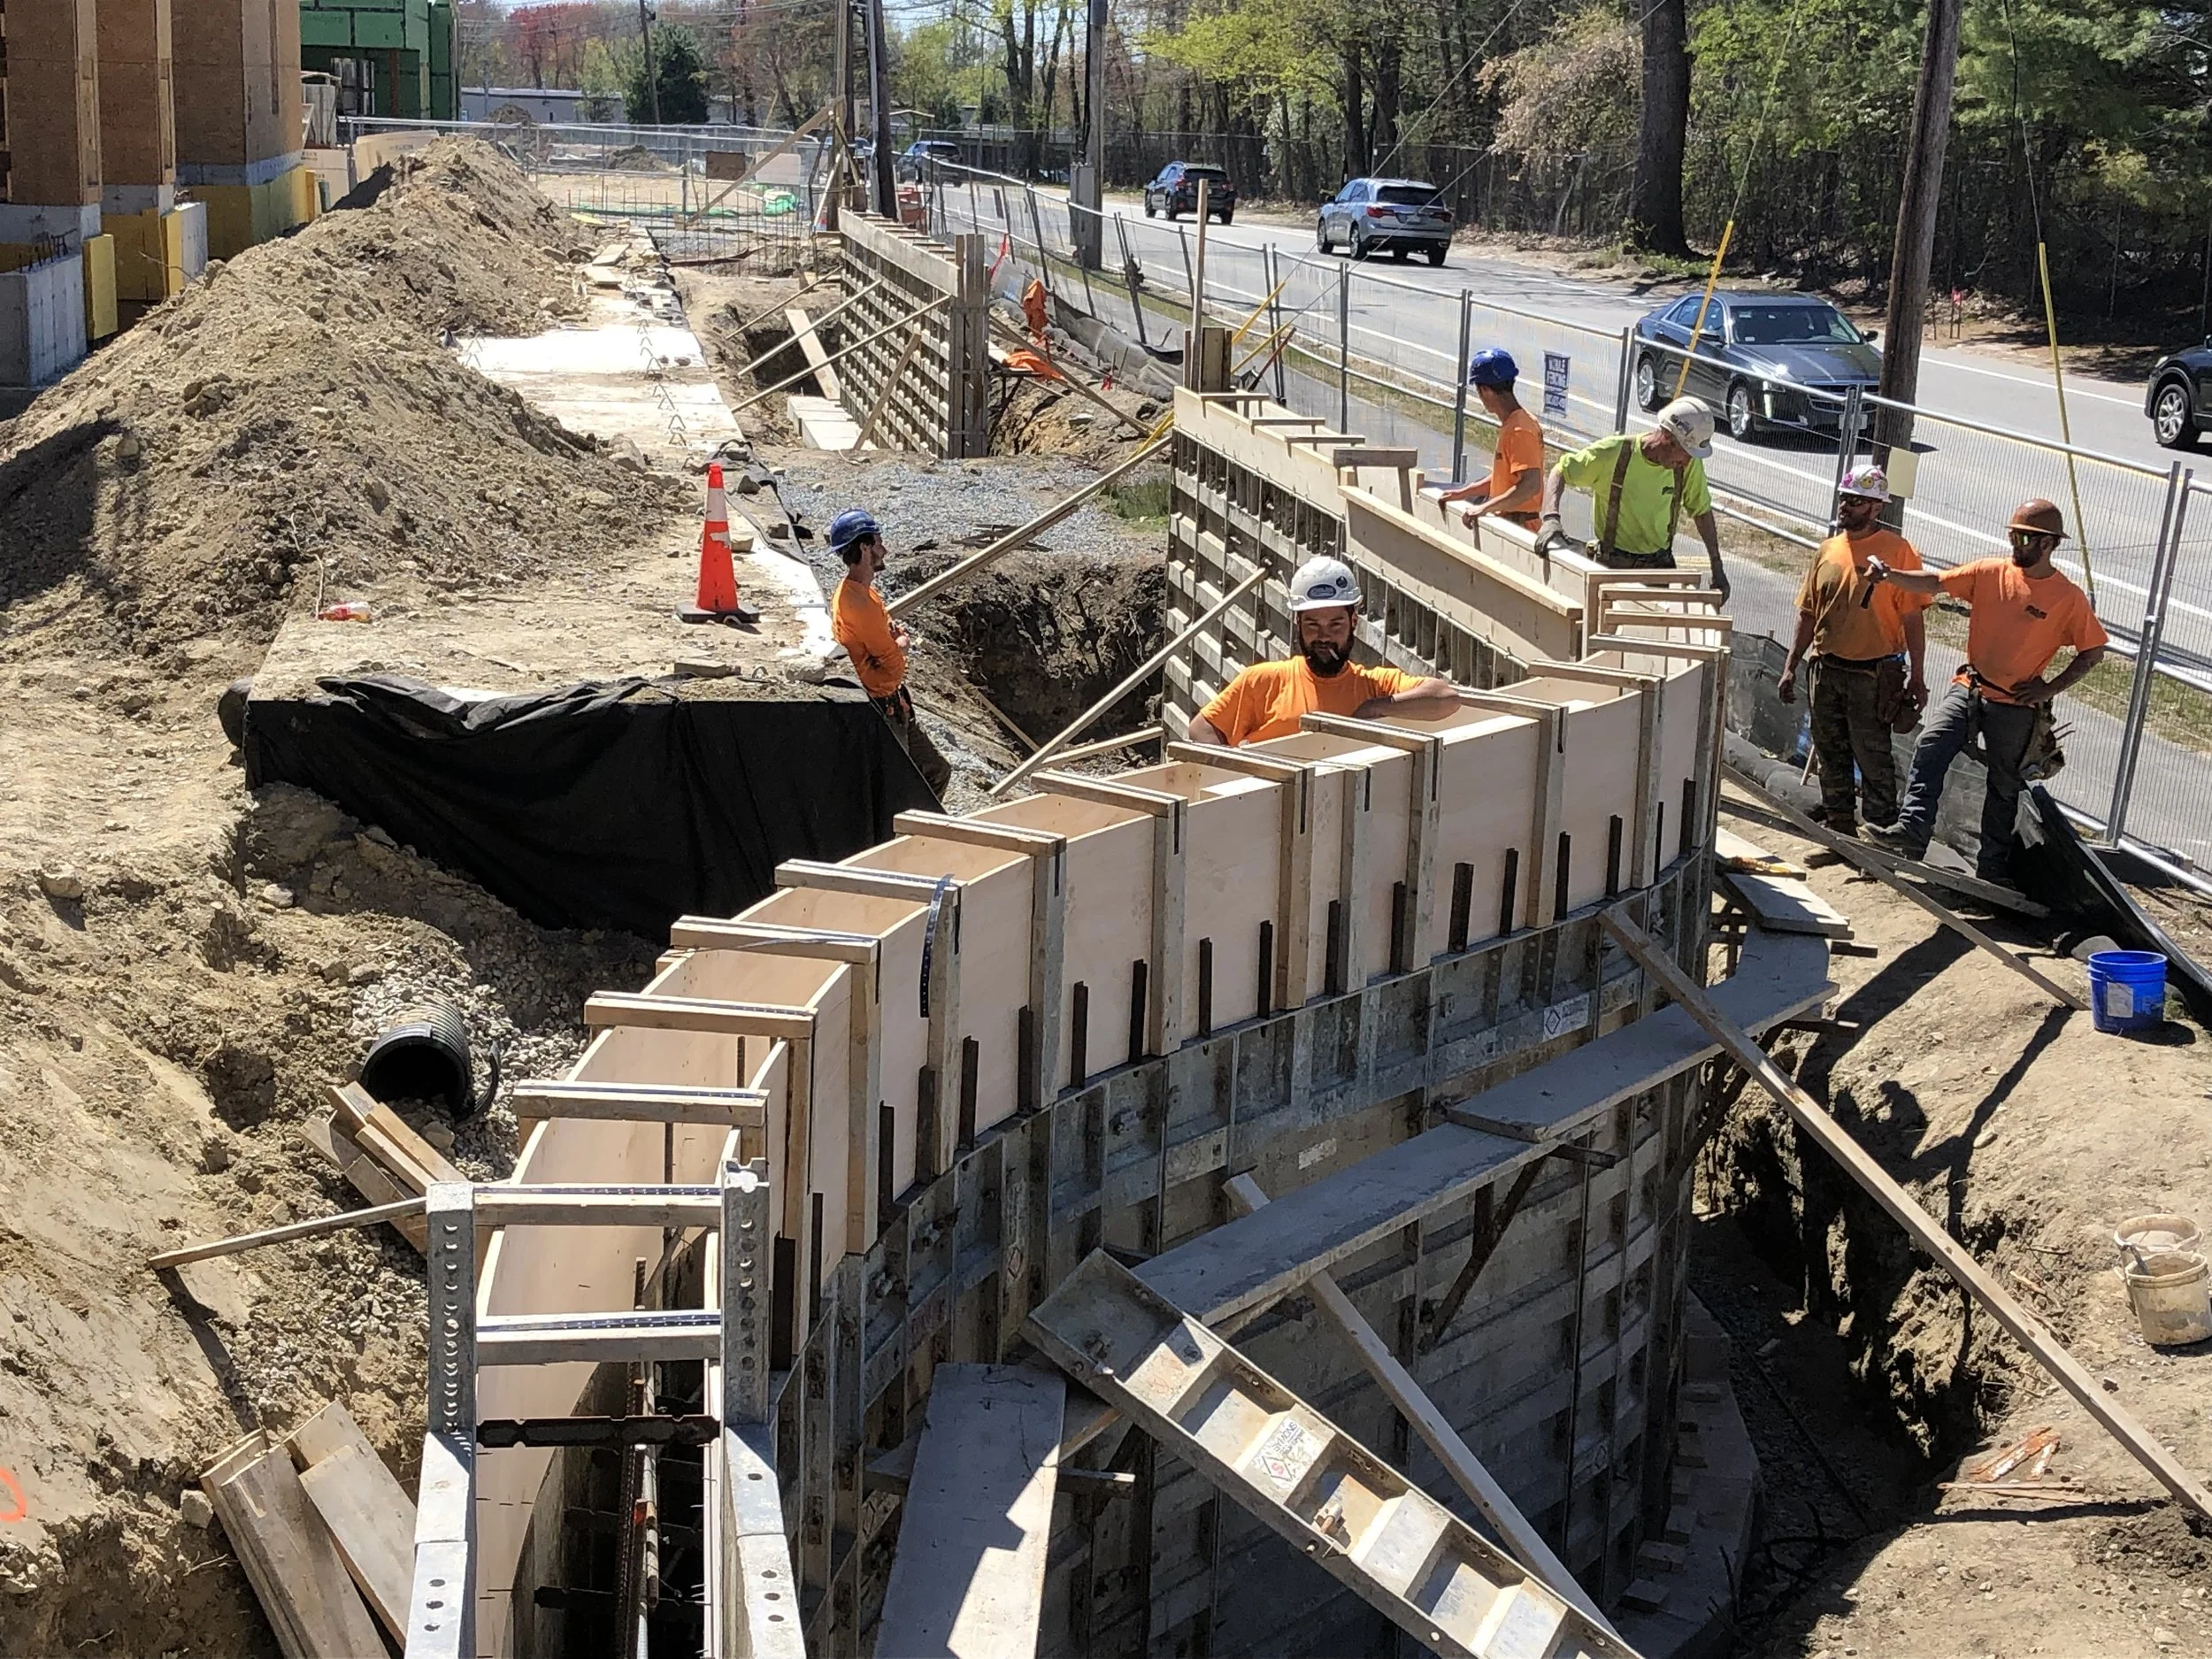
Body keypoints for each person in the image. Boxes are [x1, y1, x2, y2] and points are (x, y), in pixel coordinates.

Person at [1862, 498, 2109, 885]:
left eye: (2025, 537)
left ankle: (1991, 872)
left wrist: (2050, 687)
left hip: (2015, 706)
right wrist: (1891, 575)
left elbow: (2093, 651)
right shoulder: (1990, 572)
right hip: (1971, 687)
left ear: (2048, 545)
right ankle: (1911, 832)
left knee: (2003, 787)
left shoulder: (2067, 597)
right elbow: (1936, 582)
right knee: (1931, 745)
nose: (2016, 543)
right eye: (2013, 535)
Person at [1776, 465, 1931, 835]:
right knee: (1830, 754)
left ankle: (1877, 837)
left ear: (1877, 509)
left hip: (1872, 675)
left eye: (1857, 501)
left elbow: (1913, 620)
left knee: (1873, 757)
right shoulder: (1829, 549)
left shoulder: (1898, 552)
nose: (1846, 507)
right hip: (1826, 670)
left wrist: (1919, 679)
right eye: (1845, 498)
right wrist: (1790, 666)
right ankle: (1839, 830)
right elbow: (1809, 611)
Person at [1187, 556, 1456, 747]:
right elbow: (1202, 730)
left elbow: (1446, 697)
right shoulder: (1265, 681)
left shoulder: (1375, 686)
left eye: (1335, 624)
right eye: (1312, 624)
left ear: (1353, 622)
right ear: (1298, 624)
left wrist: (1374, 708)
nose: (1323, 636)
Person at [1537, 396, 1732, 601]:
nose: (1686, 462)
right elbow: (1561, 471)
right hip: (1611, 569)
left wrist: (1717, 566)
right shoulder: (1615, 453)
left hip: (1658, 571)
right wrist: (1551, 518)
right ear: (1668, 438)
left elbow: (1701, 512)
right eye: (1685, 454)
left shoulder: (1688, 467)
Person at [828, 508, 954, 799]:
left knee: (936, 771)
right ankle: (902, 842)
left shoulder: (862, 593)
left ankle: (919, 837)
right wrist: (902, 645)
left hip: (893, 705)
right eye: (878, 541)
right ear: (864, 547)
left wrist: (892, 640)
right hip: (881, 709)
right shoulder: (857, 603)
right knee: (901, 791)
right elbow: (892, 668)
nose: (884, 549)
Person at [1438, 349, 1544, 531]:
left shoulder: (1519, 430)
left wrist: (1484, 508)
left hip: (1519, 530)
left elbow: (1530, 485)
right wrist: (1463, 493)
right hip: (1510, 524)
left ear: (1485, 390)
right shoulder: (1516, 423)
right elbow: (1503, 479)